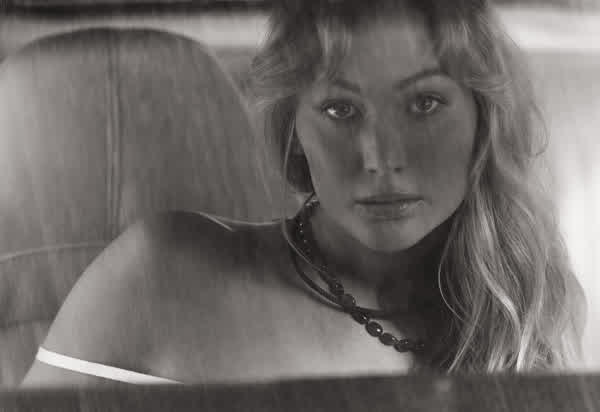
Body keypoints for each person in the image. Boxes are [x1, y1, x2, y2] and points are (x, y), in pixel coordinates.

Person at [21, 0, 586, 387]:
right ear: (295, 129)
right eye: (341, 110)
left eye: (424, 104)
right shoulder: (160, 276)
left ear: (484, 121)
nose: (381, 157)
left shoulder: (523, 304)